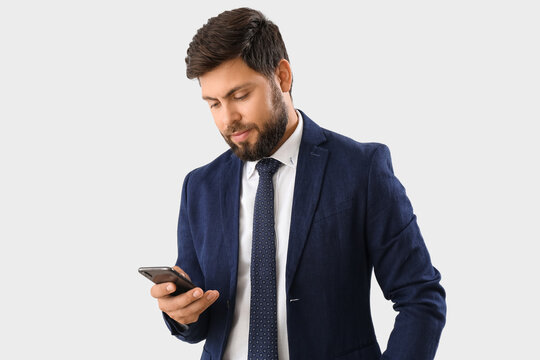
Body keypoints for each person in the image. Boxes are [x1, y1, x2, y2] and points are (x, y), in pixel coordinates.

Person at [149, 7, 446, 360]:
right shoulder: (199, 187)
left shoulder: (361, 169)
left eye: (240, 96)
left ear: (283, 76)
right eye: (213, 104)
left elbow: (420, 297)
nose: (228, 119)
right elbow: (200, 320)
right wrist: (182, 315)